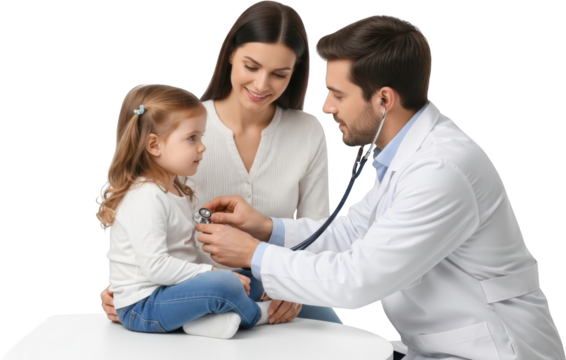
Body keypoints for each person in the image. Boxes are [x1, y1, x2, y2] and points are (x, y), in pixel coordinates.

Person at [194, 15, 565, 359]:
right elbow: (354, 232)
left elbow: (357, 280)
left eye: (338, 95)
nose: (326, 107)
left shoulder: (441, 169)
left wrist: (253, 254)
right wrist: (266, 227)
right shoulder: (406, 157)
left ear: (384, 99)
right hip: (445, 345)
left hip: (495, 351)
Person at [99, 0, 343, 327]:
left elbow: (318, 229)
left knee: (335, 335)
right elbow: (139, 220)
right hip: (188, 288)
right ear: (230, 55)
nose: (261, 85)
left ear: (294, 72)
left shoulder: (308, 131)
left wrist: (297, 284)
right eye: (251, 66)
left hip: (275, 285)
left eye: (279, 74)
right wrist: (123, 287)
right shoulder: (181, 126)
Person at [95, 83, 283, 339]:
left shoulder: (177, 192)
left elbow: (190, 255)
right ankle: (260, 314)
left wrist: (223, 272)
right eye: (192, 137)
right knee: (225, 284)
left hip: (172, 292)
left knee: (252, 272)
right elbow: (155, 267)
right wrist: (214, 274)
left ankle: (200, 321)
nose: (202, 146)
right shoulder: (145, 197)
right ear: (154, 145)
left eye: (201, 137)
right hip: (143, 306)